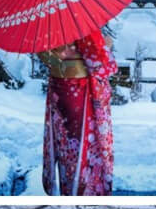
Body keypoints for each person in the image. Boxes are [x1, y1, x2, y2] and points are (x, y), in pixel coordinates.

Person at [36, 30, 115, 195]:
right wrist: (106, 46)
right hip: (79, 91)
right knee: (82, 146)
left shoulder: (46, 25)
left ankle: (67, 186)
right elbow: (99, 65)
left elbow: (45, 56)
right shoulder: (79, 25)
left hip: (59, 87)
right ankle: (80, 191)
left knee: (65, 144)